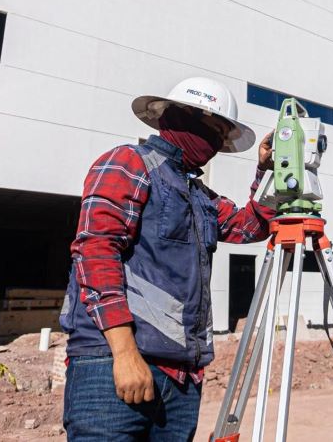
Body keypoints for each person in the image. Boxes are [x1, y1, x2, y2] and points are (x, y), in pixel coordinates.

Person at [61, 77, 276, 441]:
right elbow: (96, 251)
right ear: (188, 116)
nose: (216, 145)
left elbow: (248, 227)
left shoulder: (198, 194)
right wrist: (125, 353)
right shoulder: (129, 162)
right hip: (116, 365)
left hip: (181, 380)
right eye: (217, 131)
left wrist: (269, 172)